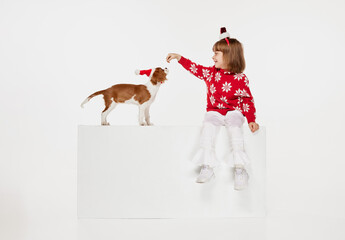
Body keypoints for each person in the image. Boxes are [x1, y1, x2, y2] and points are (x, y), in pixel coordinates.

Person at [166, 27, 259, 190]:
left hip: (234, 112)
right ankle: (207, 166)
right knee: (207, 129)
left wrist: (251, 119)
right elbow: (194, 68)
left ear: (229, 55)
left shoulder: (240, 78)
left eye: (216, 53)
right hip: (214, 112)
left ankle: (240, 170)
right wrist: (179, 58)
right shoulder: (210, 73)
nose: (212, 56)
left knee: (235, 131)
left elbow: (247, 100)